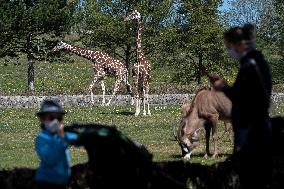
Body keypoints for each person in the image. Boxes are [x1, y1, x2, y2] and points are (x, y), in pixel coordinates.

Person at [212, 24, 272, 188]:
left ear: (239, 44)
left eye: (229, 47)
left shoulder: (249, 66)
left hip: (250, 129)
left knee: (249, 178)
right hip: (256, 126)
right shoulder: (257, 62)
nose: (228, 51)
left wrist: (223, 88)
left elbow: (242, 98)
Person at [34, 100, 78, 189]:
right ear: (42, 119)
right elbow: (50, 159)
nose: (55, 121)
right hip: (46, 182)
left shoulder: (63, 135)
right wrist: (61, 139)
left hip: (64, 182)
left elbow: (77, 139)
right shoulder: (41, 138)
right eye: (51, 118)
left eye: (59, 118)